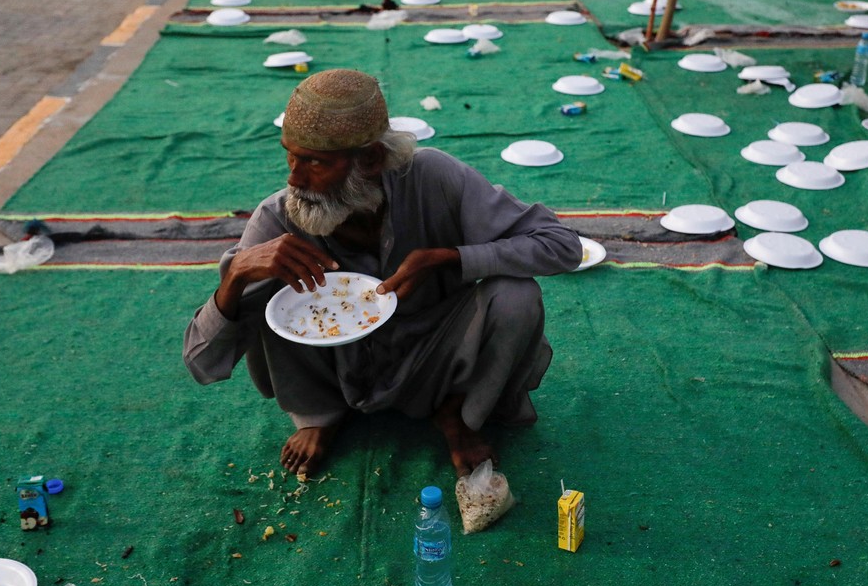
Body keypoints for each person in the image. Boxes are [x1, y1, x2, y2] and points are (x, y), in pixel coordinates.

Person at [183, 69, 582, 477]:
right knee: (271, 292)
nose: (294, 178)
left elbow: (563, 246)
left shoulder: (433, 179)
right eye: (290, 155)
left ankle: (458, 414)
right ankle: (318, 414)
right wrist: (235, 278)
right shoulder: (279, 217)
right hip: (332, 372)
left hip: (431, 358)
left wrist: (451, 258)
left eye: (315, 163)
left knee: (517, 296)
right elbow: (201, 362)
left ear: (371, 159)